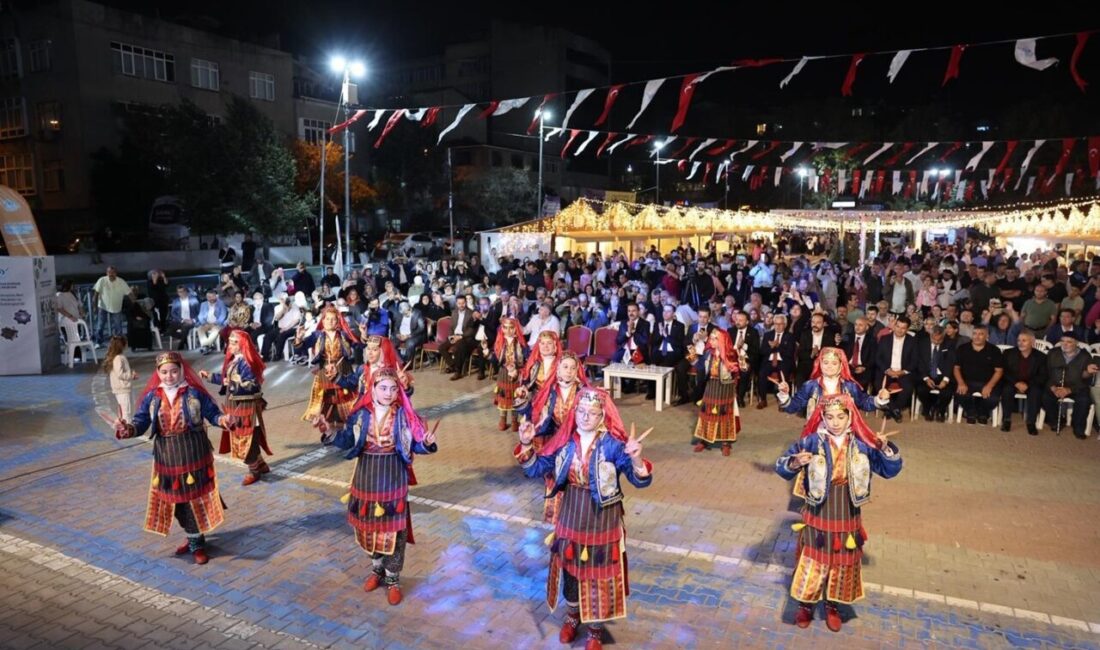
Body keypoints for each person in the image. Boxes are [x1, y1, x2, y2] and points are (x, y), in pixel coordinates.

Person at [516, 387, 652, 650]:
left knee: (599, 577)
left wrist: (636, 459)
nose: (585, 417)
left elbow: (639, 479)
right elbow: (536, 469)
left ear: (602, 415)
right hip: (570, 514)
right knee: (571, 572)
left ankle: (596, 630)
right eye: (580, 411)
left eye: (592, 412)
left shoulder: (612, 445)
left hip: (602, 519)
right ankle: (572, 616)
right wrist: (526, 444)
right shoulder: (564, 442)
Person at [774, 393, 902, 632]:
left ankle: (832, 604)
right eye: (830, 417)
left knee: (842, 562)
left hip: (847, 511)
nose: (835, 422)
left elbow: (889, 470)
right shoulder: (812, 442)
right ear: (822, 416)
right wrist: (794, 463)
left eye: (840, 417)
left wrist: (885, 448)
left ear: (850, 416)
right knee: (815, 560)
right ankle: (806, 604)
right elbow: (781, 466)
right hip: (818, 511)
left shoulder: (863, 443)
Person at [315, 368, 438, 606]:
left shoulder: (404, 415)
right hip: (366, 474)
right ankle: (377, 570)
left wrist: (427, 444)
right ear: (372, 389)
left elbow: (416, 444)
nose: (388, 393)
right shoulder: (361, 415)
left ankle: (393, 580)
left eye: (393, 388)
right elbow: (348, 440)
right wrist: (329, 431)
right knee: (369, 528)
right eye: (383, 388)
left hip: (393, 474)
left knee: (393, 531)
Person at [113, 352, 233, 565]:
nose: (169, 376)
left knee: (193, 499)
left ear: (181, 370)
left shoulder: (194, 393)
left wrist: (223, 419)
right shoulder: (153, 396)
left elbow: (212, 414)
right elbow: (141, 423)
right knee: (175, 501)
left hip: (193, 451)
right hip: (166, 455)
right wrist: (126, 429)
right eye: (164, 372)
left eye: (174, 371)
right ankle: (193, 536)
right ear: (158, 373)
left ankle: (196, 543)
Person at [515, 351, 590, 524]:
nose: (569, 371)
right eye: (565, 367)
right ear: (558, 369)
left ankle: (578, 524)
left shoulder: (583, 392)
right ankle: (558, 526)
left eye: (573, 367)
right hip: (555, 443)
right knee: (554, 479)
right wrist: (523, 400)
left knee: (577, 481)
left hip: (578, 445)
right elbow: (537, 416)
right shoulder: (550, 392)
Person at [200, 331, 272, 485]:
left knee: (246, 438)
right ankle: (261, 464)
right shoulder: (236, 360)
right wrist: (210, 376)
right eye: (230, 342)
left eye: (234, 342)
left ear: (242, 345)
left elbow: (252, 385)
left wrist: (233, 384)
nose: (230, 345)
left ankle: (254, 471)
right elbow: (226, 379)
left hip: (245, 408)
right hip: (236, 406)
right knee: (250, 437)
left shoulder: (247, 362)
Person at [779, 347, 889, 417]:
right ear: (820, 364)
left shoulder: (850, 386)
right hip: (818, 431)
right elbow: (793, 407)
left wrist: (879, 398)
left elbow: (864, 403)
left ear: (841, 365)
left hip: (844, 431)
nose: (829, 367)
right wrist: (784, 394)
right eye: (826, 362)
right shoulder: (810, 386)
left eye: (834, 363)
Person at [296, 305, 360, 424]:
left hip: (343, 369)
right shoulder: (317, 335)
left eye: (333, 319)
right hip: (324, 370)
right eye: (327, 318)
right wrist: (299, 339)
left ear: (337, 321)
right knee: (327, 400)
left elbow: (358, 344)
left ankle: (347, 426)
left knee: (345, 397)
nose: (330, 321)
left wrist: (363, 334)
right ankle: (329, 429)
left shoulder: (343, 335)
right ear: (323, 320)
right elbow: (301, 347)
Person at [691, 329, 741, 456]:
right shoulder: (708, 353)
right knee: (707, 412)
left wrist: (741, 365)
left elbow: (739, 369)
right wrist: (692, 358)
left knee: (725, 414)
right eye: (711, 339)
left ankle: (725, 442)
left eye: (714, 339)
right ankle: (704, 440)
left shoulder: (730, 354)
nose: (711, 341)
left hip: (725, 387)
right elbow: (701, 368)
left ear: (722, 340)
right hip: (711, 385)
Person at [483, 317, 527, 432]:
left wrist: (518, 370)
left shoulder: (521, 343)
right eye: (505, 328)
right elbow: (496, 361)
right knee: (503, 396)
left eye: (511, 328)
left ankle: (514, 421)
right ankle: (502, 420)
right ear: (502, 329)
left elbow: (526, 359)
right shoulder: (500, 342)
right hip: (503, 373)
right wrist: (487, 351)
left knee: (515, 397)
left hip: (517, 373)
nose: (508, 330)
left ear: (516, 329)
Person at [999, 330, 1047, 435]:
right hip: (1012, 381)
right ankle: (1006, 420)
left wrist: (1027, 384)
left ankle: (1031, 422)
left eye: (1024, 341)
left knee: (1036, 392)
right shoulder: (1009, 353)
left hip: (1031, 383)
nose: (1020, 343)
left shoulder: (1041, 357)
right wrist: (1016, 383)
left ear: (1032, 343)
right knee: (1007, 390)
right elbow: (1004, 372)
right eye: (1019, 340)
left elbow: (1042, 376)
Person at [92, 265, 130, 344]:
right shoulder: (102, 280)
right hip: (103, 306)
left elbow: (129, 293)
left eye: (113, 272)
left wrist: (135, 303)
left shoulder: (121, 281)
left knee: (118, 326)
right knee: (100, 325)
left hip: (116, 307)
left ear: (116, 273)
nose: (111, 274)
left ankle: (118, 343)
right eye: (109, 272)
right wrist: (94, 306)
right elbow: (95, 294)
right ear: (106, 273)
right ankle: (98, 342)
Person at [104, 336, 138, 420]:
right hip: (123, 389)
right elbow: (120, 374)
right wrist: (131, 375)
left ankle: (128, 429)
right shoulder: (118, 358)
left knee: (127, 410)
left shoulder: (117, 357)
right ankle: (128, 430)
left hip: (123, 388)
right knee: (127, 412)